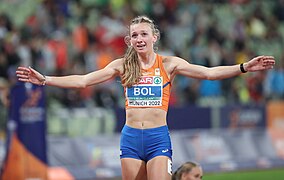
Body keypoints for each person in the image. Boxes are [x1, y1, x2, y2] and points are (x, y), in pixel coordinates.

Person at [16, 15, 275, 180]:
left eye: (144, 34)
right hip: (130, 138)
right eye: (135, 35)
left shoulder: (169, 64)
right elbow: (83, 80)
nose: (139, 39)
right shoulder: (121, 65)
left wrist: (243, 67)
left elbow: (208, 73)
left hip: (157, 137)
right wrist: (46, 80)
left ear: (154, 37)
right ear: (129, 41)